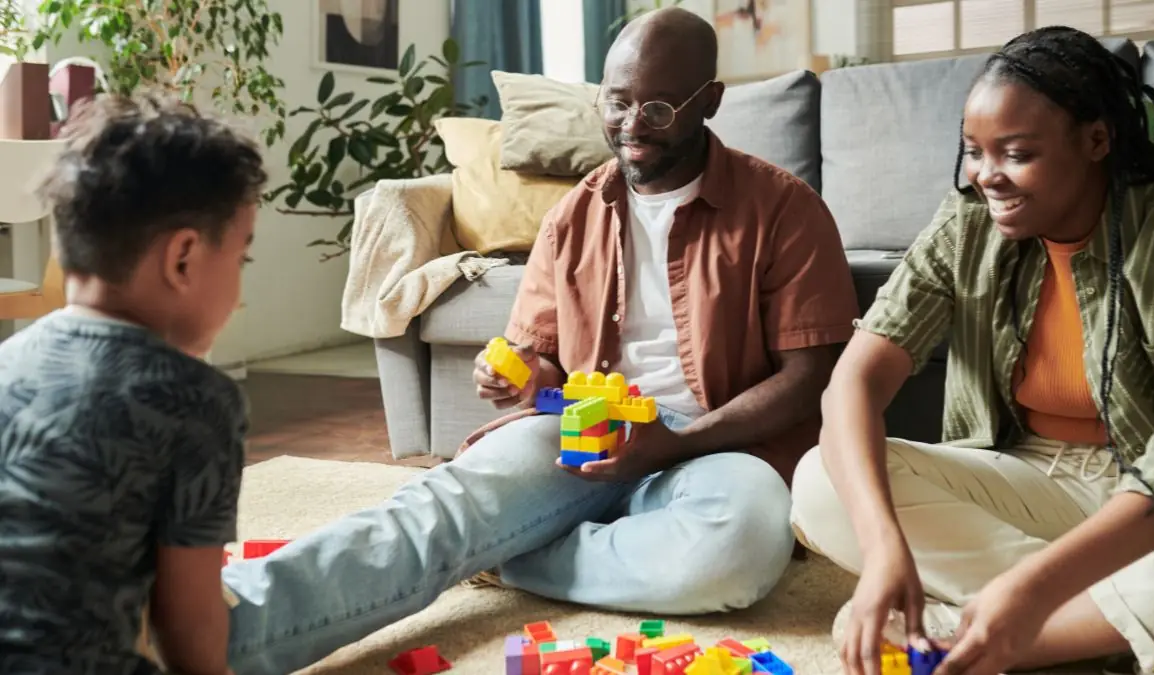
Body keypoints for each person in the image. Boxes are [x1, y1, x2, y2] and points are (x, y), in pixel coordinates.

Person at [218, 7, 860, 675]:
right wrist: (524, 373)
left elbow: (810, 376)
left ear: (711, 102)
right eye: (618, 103)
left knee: (743, 547)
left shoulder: (784, 208)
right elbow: (543, 357)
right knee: (439, 508)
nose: (633, 127)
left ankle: (506, 553)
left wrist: (678, 442)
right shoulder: (575, 214)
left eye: (661, 109)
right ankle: (224, 627)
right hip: (582, 437)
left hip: (719, 445)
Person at [789, 25, 1154, 675]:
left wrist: (1032, 587)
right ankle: (1117, 621)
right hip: (1032, 477)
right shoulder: (966, 223)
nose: (986, 176)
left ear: (1097, 140)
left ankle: (1015, 632)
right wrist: (884, 546)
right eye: (974, 151)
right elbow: (853, 385)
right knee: (821, 480)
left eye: (1015, 153)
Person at [0, 93, 262, 675]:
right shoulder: (196, 402)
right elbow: (189, 627)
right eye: (242, 259)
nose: (240, 292)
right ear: (184, 259)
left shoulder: (6, 364)